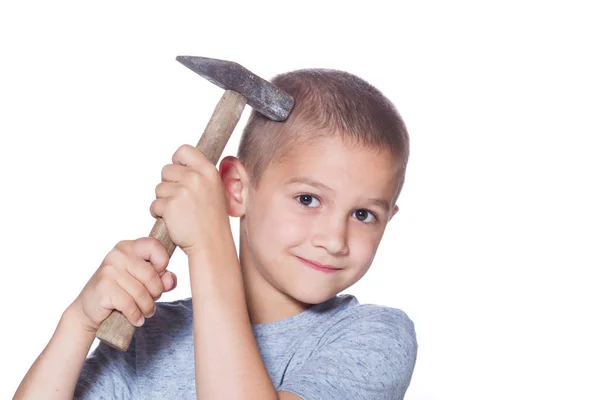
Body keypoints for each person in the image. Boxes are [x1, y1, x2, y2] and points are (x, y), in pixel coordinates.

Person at [14, 67, 417, 399]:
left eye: (363, 214)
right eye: (308, 200)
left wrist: (209, 245)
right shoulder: (149, 336)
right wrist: (78, 323)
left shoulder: (374, 339)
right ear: (237, 190)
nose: (334, 239)